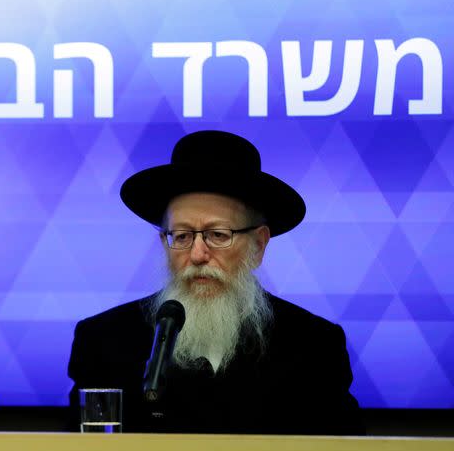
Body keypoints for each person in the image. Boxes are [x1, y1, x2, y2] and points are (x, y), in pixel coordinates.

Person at [67, 130, 363, 434]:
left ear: (258, 246)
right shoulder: (105, 341)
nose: (197, 254)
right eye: (181, 236)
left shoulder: (313, 346)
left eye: (218, 235)